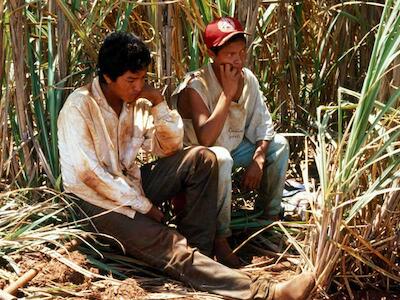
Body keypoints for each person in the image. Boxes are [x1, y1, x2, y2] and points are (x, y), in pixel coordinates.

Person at [58, 31, 314, 300]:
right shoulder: (79, 106)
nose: (138, 87)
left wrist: (157, 103)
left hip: (130, 185)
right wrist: (144, 207)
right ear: (107, 78)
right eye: (131, 80)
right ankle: (267, 294)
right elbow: (91, 176)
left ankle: (201, 256)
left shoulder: (135, 102)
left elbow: (169, 148)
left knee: (202, 158)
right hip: (94, 203)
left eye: (142, 79)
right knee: (165, 241)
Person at [171, 17, 289, 267]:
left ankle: (267, 224)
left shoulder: (248, 79)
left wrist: (258, 158)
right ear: (211, 53)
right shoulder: (196, 84)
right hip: (201, 157)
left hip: (235, 148)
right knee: (221, 156)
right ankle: (221, 238)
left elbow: (263, 124)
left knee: (279, 145)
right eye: (229, 54)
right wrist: (227, 92)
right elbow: (206, 138)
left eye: (241, 52)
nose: (237, 60)